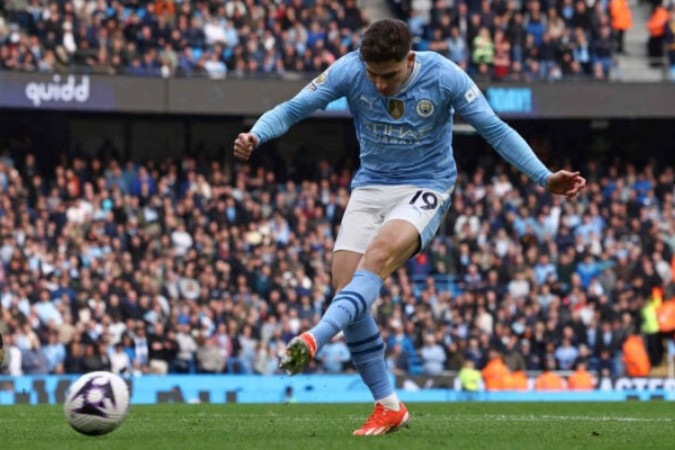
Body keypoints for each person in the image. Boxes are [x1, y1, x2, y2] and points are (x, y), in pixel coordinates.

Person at [233, 18, 586, 435]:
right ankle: (389, 406)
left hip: (426, 186)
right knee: (346, 287)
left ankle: (313, 338)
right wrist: (257, 134)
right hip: (370, 186)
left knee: (377, 257)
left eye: (390, 75)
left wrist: (543, 177)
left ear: (410, 59)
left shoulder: (444, 76)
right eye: (373, 75)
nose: (380, 86)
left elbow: (494, 128)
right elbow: (295, 107)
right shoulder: (349, 69)